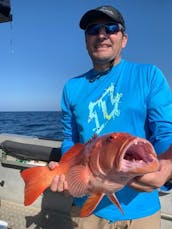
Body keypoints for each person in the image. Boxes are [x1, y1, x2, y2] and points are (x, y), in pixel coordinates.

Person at [49, 5, 172, 229]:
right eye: (93, 29)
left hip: (141, 212)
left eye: (111, 28)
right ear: (86, 40)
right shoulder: (72, 87)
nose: (101, 35)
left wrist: (166, 168)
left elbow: (165, 133)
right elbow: (70, 139)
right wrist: (69, 173)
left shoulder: (149, 75)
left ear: (123, 39)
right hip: (87, 209)